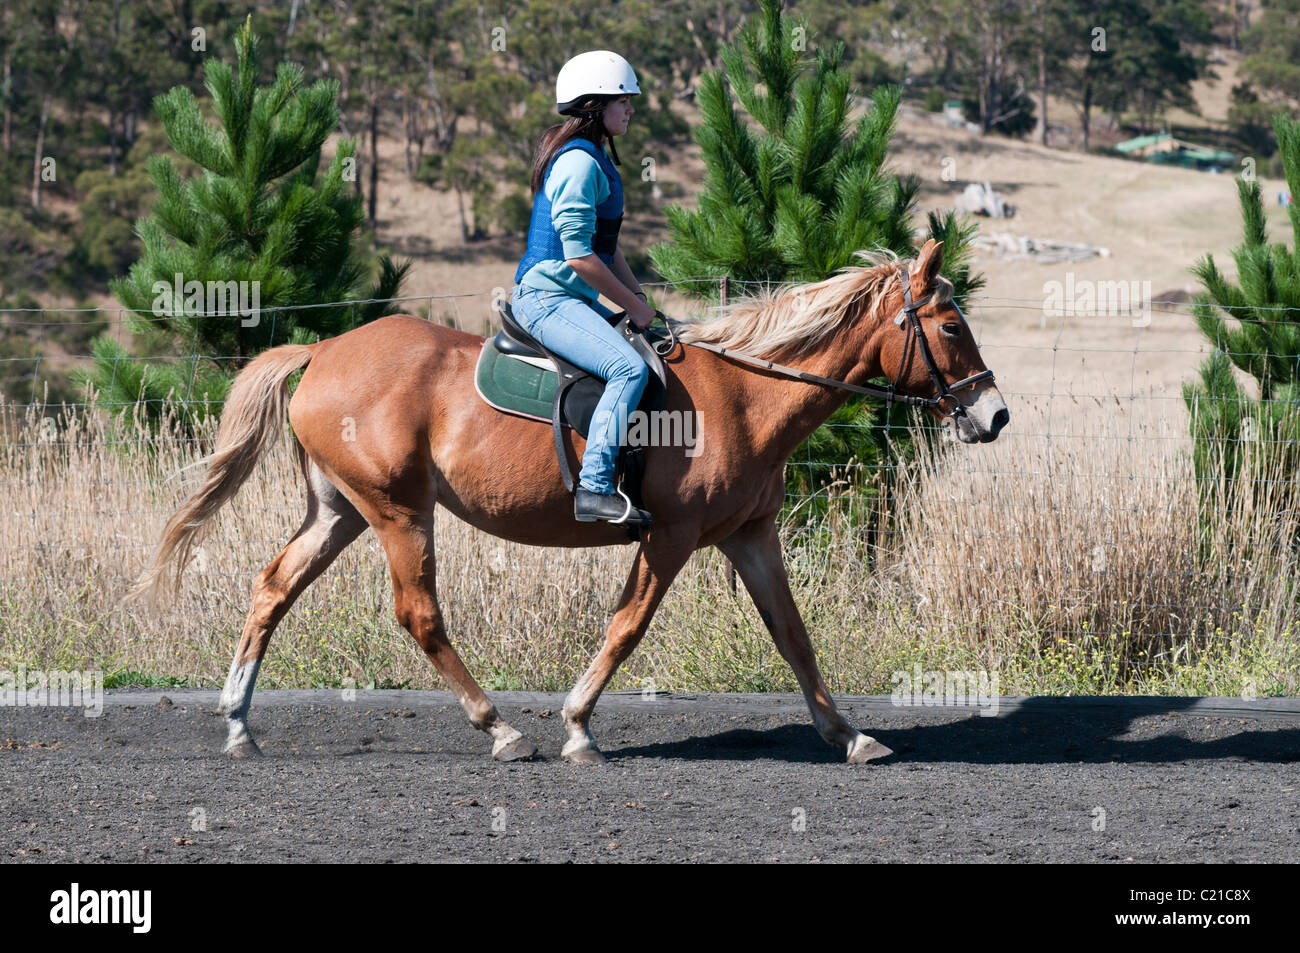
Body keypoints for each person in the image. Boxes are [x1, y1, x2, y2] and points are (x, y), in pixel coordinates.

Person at [511, 50, 657, 526]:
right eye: (623, 100)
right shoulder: (578, 164)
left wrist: (642, 304)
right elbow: (578, 256)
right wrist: (630, 304)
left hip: (571, 299)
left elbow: (609, 250)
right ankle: (594, 489)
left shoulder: (593, 159)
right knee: (628, 370)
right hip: (546, 300)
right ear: (594, 105)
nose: (630, 108)